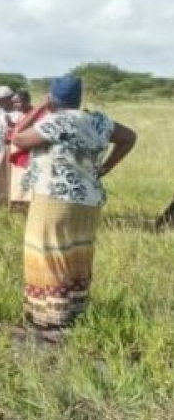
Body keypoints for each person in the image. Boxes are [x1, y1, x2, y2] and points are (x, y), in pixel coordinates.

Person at [11, 75, 135, 330]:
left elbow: (18, 138)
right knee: (76, 253)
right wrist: (107, 167)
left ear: (52, 98)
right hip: (89, 200)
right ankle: (75, 310)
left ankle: (50, 317)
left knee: (48, 253)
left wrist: (41, 108)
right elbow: (129, 137)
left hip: (55, 199)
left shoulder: (56, 121)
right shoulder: (98, 120)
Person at [5, 90, 39, 212]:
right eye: (13, 102)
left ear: (27, 101)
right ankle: (18, 207)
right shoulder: (22, 114)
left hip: (27, 154)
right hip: (18, 154)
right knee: (17, 183)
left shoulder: (35, 115)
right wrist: (11, 126)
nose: (15, 105)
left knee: (26, 183)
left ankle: (27, 209)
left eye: (17, 102)